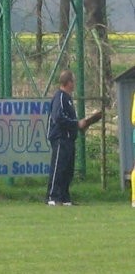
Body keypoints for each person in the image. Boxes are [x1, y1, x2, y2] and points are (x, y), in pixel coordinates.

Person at [45, 70, 88, 206]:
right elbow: (58, 117)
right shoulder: (60, 97)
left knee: (68, 169)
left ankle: (64, 197)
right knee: (58, 167)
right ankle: (52, 196)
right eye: (73, 81)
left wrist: (79, 126)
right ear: (68, 82)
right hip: (60, 138)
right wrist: (76, 124)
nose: (74, 84)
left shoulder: (68, 99)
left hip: (69, 139)